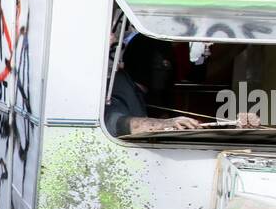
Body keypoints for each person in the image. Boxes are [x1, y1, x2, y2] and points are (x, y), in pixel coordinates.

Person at [106, 32, 258, 136]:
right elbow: (119, 124)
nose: (165, 68)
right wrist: (166, 124)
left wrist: (237, 126)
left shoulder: (151, 93)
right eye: (161, 64)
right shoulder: (118, 88)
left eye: (168, 64)